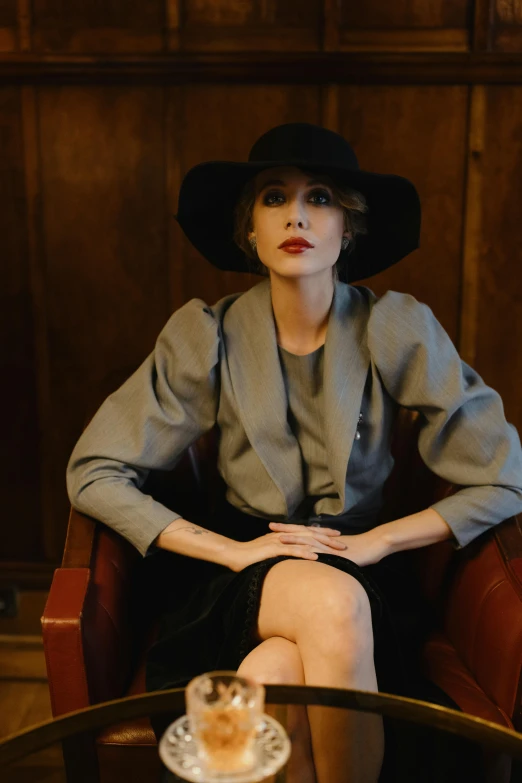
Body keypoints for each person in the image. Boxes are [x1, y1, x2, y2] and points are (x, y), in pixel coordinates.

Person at [66, 123, 522, 782]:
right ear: (248, 229)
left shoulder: (393, 329)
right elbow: (93, 470)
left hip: (358, 577)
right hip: (237, 579)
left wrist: (381, 541)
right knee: (324, 612)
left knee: (267, 674)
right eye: (274, 197)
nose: (298, 216)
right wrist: (231, 550)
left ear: (349, 228)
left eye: (322, 199)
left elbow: (505, 476)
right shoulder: (208, 336)